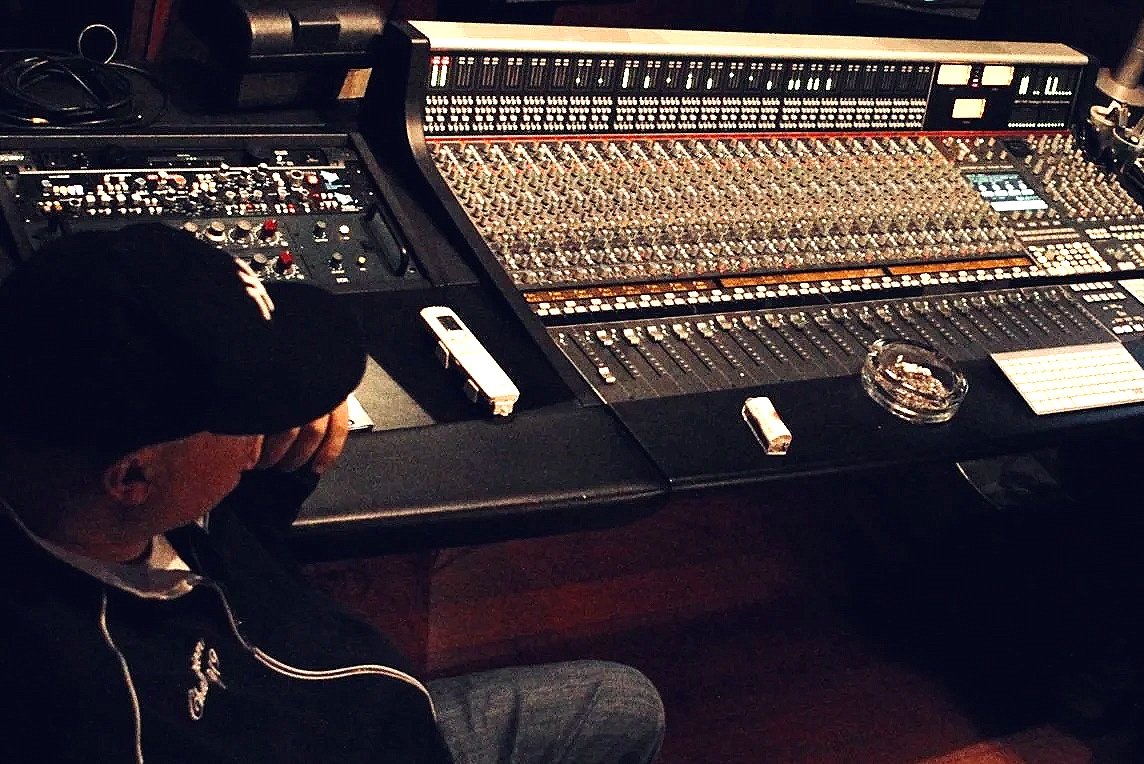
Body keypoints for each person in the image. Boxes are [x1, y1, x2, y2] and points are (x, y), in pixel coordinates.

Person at [0, 222, 665, 763]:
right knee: (620, 709)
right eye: (248, 417)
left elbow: (228, 541)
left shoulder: (111, 499)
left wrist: (280, 460)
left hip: (378, 713)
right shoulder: (90, 712)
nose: (266, 430)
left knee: (623, 702)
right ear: (132, 479)